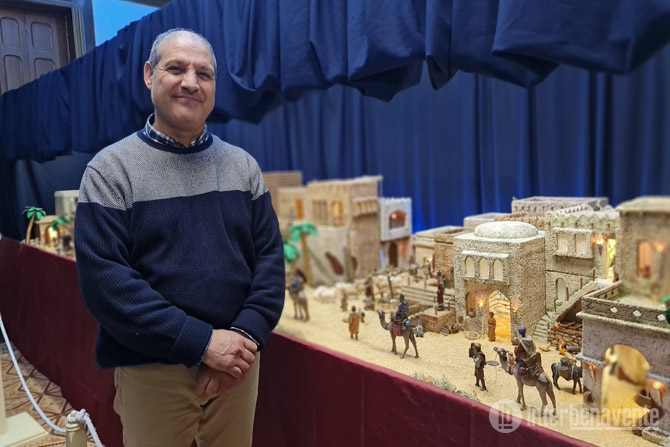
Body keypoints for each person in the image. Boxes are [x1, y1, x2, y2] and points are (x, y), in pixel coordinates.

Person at [74, 29, 285, 447]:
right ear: (149, 75)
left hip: (237, 366)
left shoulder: (243, 168)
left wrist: (244, 339)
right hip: (154, 372)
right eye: (176, 69)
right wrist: (202, 343)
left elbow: (270, 263)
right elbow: (108, 285)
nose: (191, 82)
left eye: (204, 74)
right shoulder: (110, 171)